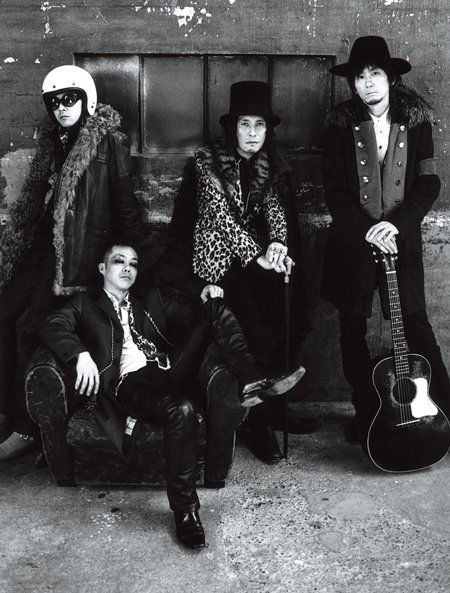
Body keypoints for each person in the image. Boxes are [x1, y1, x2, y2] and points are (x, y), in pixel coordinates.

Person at [39, 244, 305, 548]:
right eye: (119, 261)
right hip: (128, 382)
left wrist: (206, 294)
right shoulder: (85, 304)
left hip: (168, 368)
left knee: (215, 308)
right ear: (103, 268)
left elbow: (193, 319)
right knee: (181, 408)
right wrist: (80, 354)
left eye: (133, 264)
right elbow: (51, 325)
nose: (127, 268)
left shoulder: (149, 299)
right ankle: (186, 511)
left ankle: (251, 380)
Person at [152, 80, 319, 464]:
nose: (253, 133)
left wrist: (278, 244)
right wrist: (257, 256)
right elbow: (221, 218)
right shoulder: (207, 160)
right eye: (245, 124)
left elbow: (275, 209)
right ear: (233, 128)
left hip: (251, 258)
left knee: (289, 316)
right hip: (216, 261)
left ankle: (277, 409)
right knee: (253, 331)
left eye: (260, 125)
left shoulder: (268, 161)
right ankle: (257, 425)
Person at [0, 65, 146, 460]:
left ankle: (27, 427)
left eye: (69, 99)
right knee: (3, 316)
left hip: (75, 259)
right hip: (39, 251)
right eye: (54, 102)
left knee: (32, 328)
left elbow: (124, 204)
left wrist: (132, 265)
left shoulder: (108, 141)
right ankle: (6, 411)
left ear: (86, 99)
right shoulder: (55, 140)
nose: (62, 107)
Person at [321, 35, 450, 444]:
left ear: (391, 78)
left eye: (375, 73)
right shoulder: (339, 125)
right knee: (351, 328)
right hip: (353, 242)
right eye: (360, 76)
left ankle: (445, 412)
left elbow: (429, 182)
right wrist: (367, 230)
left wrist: (395, 225)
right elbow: (334, 192)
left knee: (416, 325)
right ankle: (368, 412)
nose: (368, 82)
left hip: (400, 240)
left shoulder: (416, 121)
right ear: (353, 84)